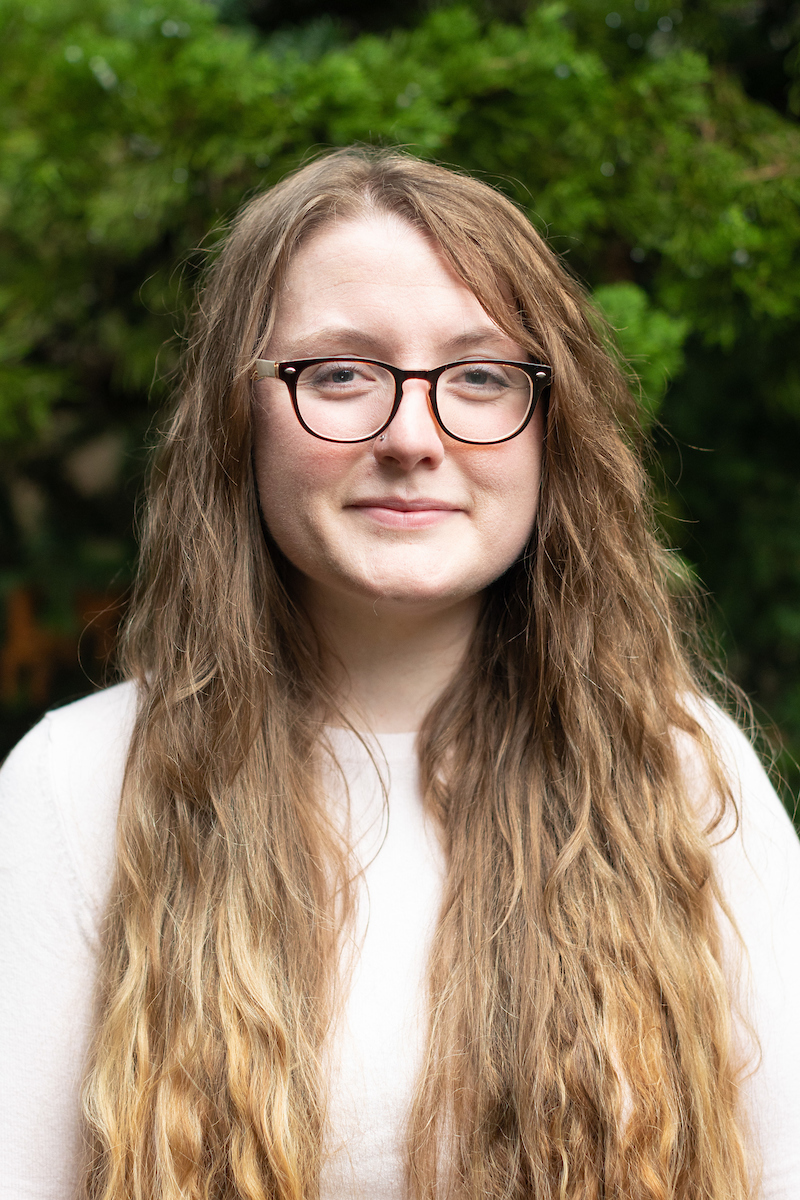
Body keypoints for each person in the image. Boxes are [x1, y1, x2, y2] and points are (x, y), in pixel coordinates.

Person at [1, 147, 798, 1200]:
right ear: (239, 416)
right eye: (339, 374)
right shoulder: (76, 785)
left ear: (550, 426)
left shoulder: (683, 773)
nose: (413, 436)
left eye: (478, 376)